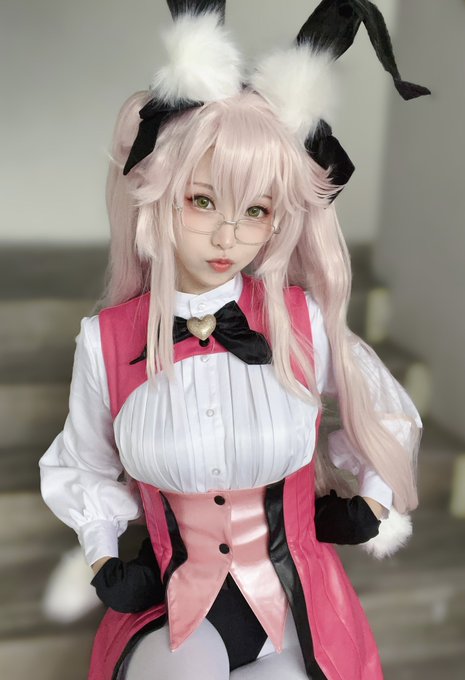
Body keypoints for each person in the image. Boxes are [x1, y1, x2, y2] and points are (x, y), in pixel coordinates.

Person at [39, 1, 429, 678]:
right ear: (157, 194)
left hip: (296, 599)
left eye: (255, 210)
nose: (228, 235)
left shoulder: (302, 321)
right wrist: (103, 557)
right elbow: (82, 464)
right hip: (172, 603)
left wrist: (371, 501)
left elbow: (387, 412)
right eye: (202, 201)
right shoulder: (106, 341)